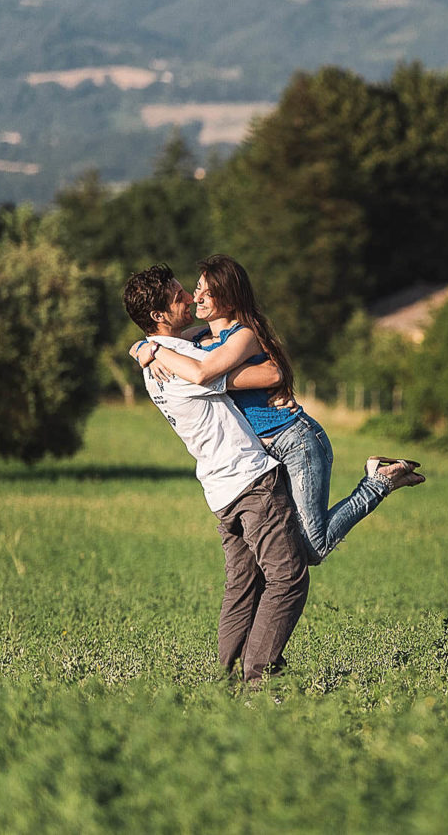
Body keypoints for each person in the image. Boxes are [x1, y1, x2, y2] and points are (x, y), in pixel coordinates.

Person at [132, 254, 424, 565]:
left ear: (229, 300)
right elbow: (167, 342)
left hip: (293, 441)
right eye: (197, 288)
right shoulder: (200, 338)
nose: (196, 297)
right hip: (265, 452)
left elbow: (214, 374)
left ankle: (379, 481)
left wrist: (156, 351)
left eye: (207, 292)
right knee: (289, 544)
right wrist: (140, 348)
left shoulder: (242, 334)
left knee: (313, 548)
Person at [122, 264, 307, 685]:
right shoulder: (186, 360)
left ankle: (221, 687)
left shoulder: (160, 359)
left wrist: (141, 348)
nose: (189, 298)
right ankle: (259, 682)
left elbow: (179, 350)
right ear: (159, 316)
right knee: (288, 578)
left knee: (242, 589)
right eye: (178, 296)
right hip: (250, 479)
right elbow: (269, 374)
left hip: (219, 490)